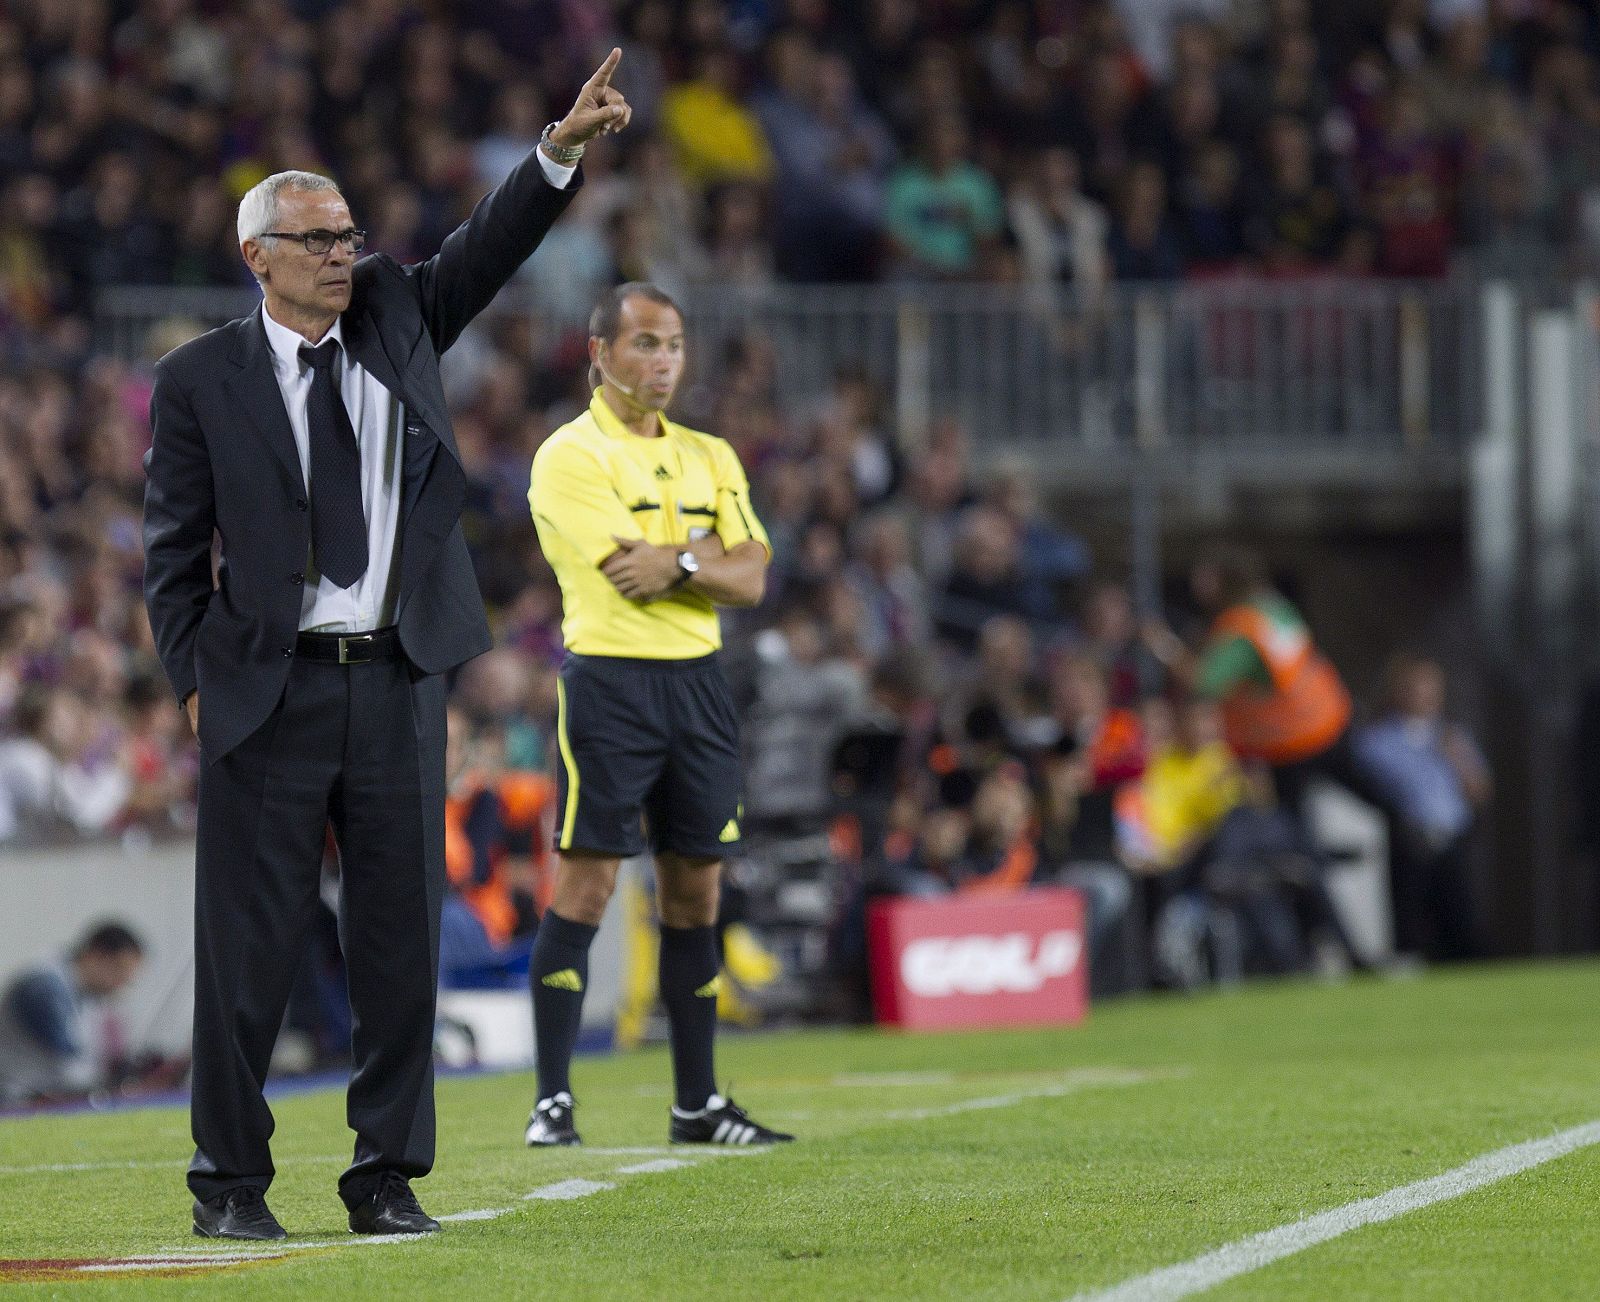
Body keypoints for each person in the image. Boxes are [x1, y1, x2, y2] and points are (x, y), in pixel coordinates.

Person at [141, 52, 631, 1241]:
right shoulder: (199, 378)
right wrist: (194, 679)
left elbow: (488, 242)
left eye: (348, 233)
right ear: (256, 255)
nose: (340, 253)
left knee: (399, 941)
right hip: (266, 689)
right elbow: (171, 550)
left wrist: (557, 149)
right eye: (314, 239)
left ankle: (384, 1177)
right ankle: (230, 1187)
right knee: (244, 953)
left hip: (399, 679)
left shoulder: (399, 312)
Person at [523, 282, 790, 1149]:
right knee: (590, 882)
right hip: (611, 684)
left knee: (696, 892)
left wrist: (675, 555)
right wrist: (702, 556)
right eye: (644, 343)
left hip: (699, 686)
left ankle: (697, 1104)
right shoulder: (571, 456)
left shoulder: (712, 454)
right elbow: (621, 572)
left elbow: (751, 578)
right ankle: (552, 1101)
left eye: (673, 343)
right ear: (599, 354)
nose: (663, 361)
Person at [0, 921, 144, 1105]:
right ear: (96, 955)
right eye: (119, 970)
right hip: (15, 1100)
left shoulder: (81, 993)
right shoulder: (44, 987)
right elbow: (67, 1060)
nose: (123, 983)